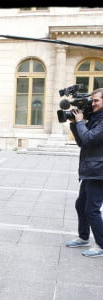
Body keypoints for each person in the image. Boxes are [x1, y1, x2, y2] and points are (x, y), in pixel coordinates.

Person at [66, 88, 103, 257]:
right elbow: (82, 142)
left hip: (99, 171)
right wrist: (74, 123)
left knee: (92, 209)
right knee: (80, 205)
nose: (92, 103)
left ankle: (101, 245)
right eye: (93, 100)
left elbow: (89, 138)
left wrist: (80, 122)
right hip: (90, 169)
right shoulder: (95, 118)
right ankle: (83, 237)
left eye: (96, 100)